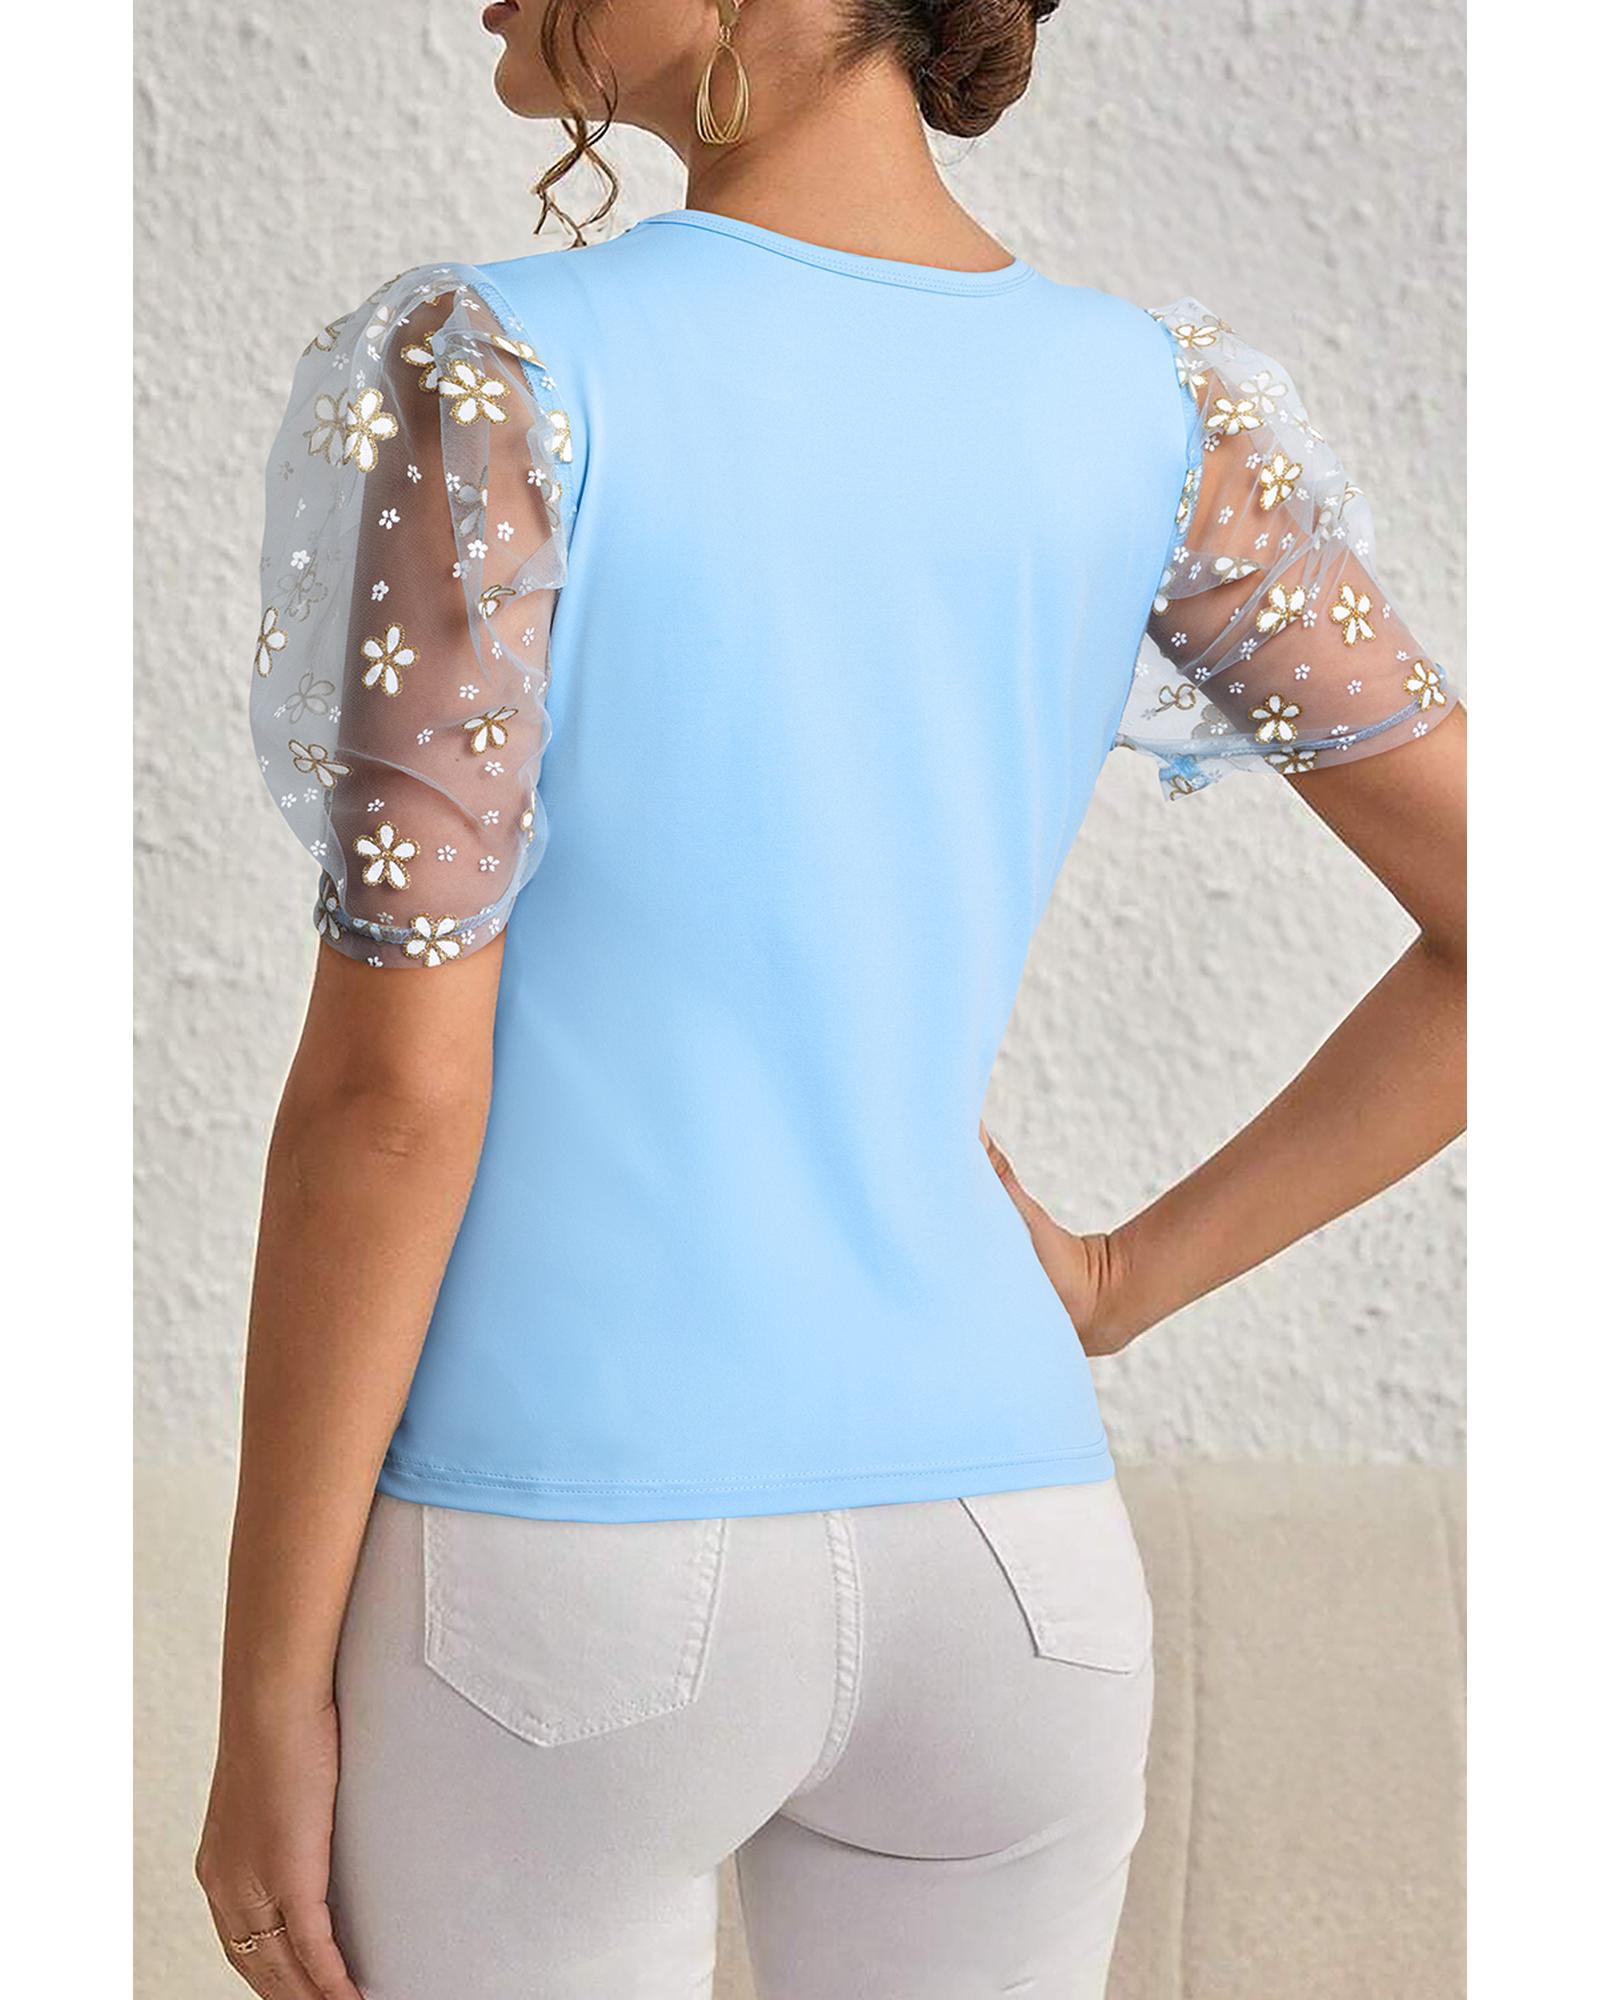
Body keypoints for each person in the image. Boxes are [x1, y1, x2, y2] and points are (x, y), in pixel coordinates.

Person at [196, 3, 1467, 1995]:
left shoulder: (501, 371)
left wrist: (267, 1691)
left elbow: (392, 1101)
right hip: (1016, 1566)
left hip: (558, 1572)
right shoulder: (1148, 406)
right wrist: (1114, 1282)